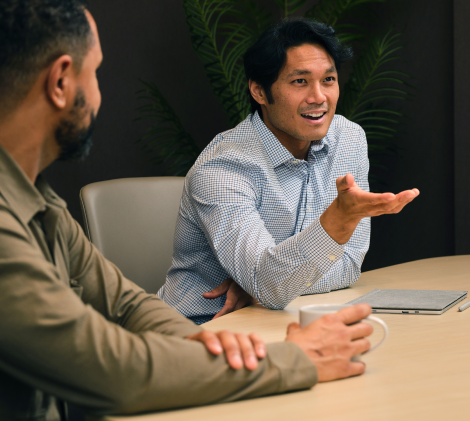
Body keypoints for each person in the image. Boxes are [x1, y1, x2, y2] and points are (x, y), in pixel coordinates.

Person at [0, 0, 377, 420]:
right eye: (96, 73)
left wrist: (204, 344)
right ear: (62, 81)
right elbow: (109, 371)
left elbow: (123, 301)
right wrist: (292, 359)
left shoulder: (25, 191)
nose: (100, 95)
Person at [157, 18, 420, 321]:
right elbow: (270, 284)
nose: (319, 97)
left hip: (283, 321)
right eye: (300, 81)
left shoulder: (348, 139)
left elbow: (348, 265)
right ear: (259, 91)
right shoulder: (222, 168)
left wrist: (271, 284)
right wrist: (337, 221)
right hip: (199, 330)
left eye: (328, 80)